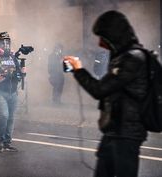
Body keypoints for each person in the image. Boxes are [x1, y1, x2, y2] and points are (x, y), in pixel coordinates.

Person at [63, 11, 148, 177]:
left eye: (103, 38)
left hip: (127, 134)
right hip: (113, 130)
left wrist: (78, 69)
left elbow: (100, 90)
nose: (101, 43)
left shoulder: (133, 58)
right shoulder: (121, 57)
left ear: (114, 35)